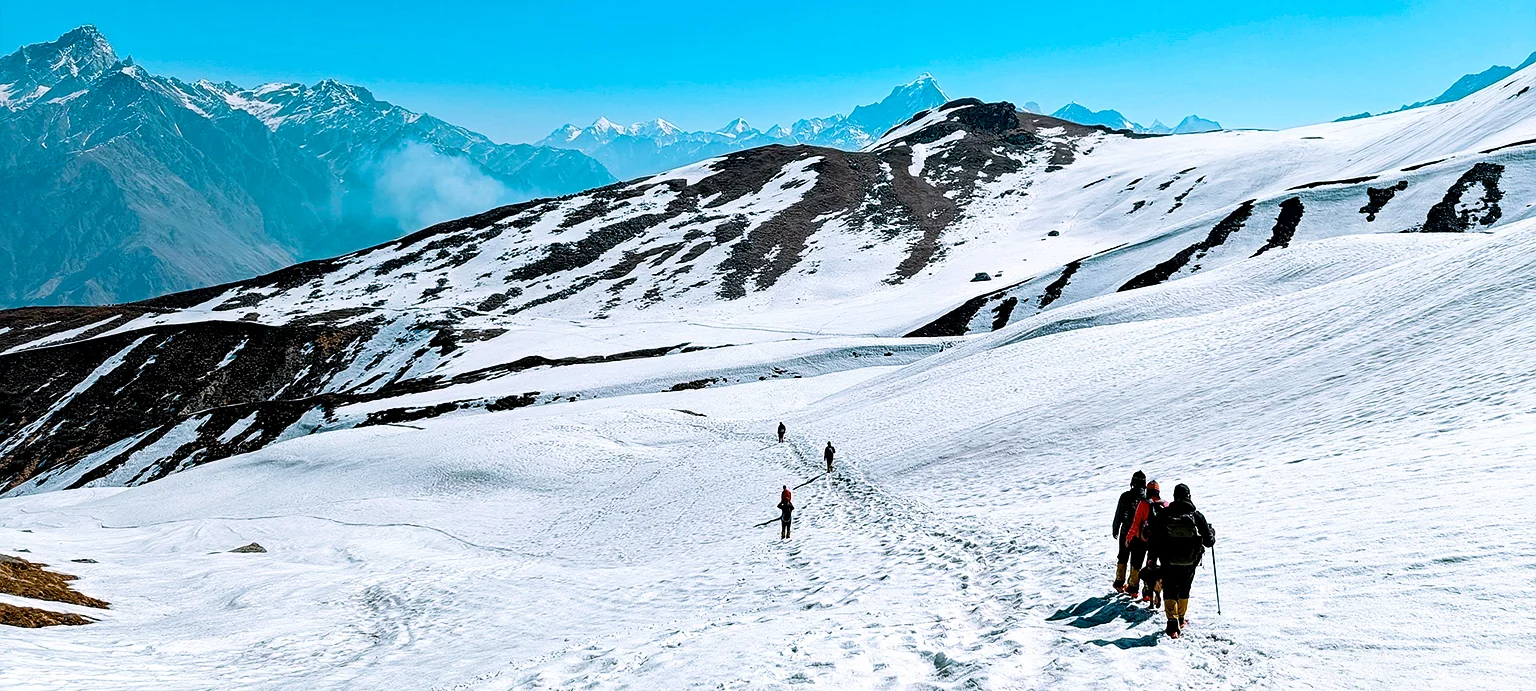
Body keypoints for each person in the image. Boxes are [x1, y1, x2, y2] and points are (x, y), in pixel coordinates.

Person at [1149, 483, 1215, 638]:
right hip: (1190, 562)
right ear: (1189, 496)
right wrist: (1211, 532)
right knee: (1184, 589)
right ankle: (1181, 618)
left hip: (1167, 561)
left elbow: (1153, 537)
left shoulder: (1164, 514)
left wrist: (1152, 558)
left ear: (1174, 497)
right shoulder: (1196, 515)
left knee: (1170, 590)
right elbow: (1208, 542)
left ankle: (1172, 626)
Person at [1126, 481, 1168, 606]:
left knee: (1149, 567)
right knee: (1164, 569)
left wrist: (1129, 537)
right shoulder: (1165, 504)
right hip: (1164, 543)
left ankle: (1147, 594)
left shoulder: (1143, 504)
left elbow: (1136, 523)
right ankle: (1161, 591)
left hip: (1148, 541)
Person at [1111, 471, 1147, 592]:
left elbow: (1118, 514)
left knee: (1123, 556)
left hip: (1125, 531)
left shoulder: (1125, 496)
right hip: (1141, 534)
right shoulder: (1146, 498)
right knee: (1136, 561)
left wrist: (1115, 528)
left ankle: (1119, 583)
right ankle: (1133, 587)